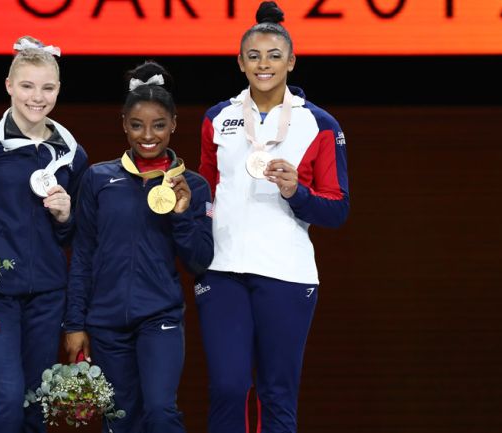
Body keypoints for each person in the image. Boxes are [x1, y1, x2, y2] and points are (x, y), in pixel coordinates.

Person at [197, 2, 350, 432]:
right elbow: (207, 191)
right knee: (227, 387)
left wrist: (295, 193)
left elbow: (338, 209)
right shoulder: (217, 118)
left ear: (291, 61)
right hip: (223, 270)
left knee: (277, 391)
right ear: (240, 62)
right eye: (254, 56)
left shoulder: (319, 124)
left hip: (287, 274)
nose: (264, 65)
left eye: (274, 55)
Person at [0, 35, 89, 433]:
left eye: (47, 87)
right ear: (9, 85)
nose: (36, 97)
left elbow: (76, 238)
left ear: (58, 89)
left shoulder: (73, 154)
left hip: (47, 296)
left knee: (34, 410)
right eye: (27, 85)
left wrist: (65, 215)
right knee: (4, 404)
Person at [63, 61, 214, 433]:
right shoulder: (99, 178)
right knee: (120, 418)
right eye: (137, 125)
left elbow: (201, 261)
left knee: (161, 412)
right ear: (123, 124)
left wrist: (180, 214)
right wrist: (75, 323)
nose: (148, 135)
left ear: (174, 124)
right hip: (106, 321)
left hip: (159, 317)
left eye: (159, 125)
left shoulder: (193, 187)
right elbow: (83, 254)